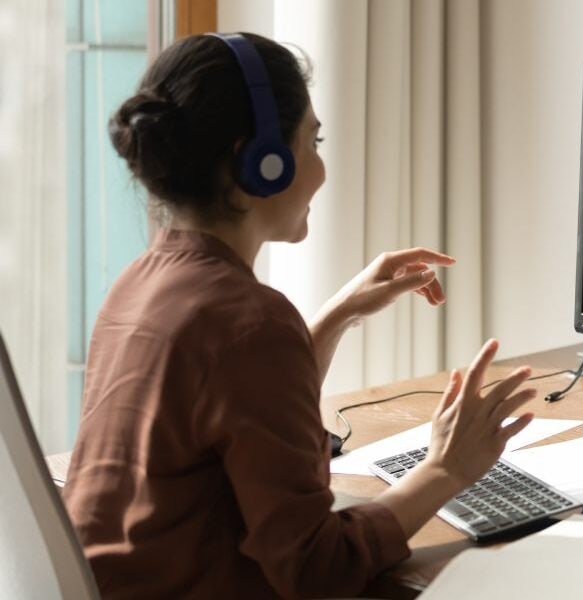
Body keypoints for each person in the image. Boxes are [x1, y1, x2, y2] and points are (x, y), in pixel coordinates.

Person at [61, 33, 538, 599]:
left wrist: (336, 316)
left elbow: (229, 408)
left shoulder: (138, 284)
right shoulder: (249, 325)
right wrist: (446, 470)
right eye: (313, 141)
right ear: (261, 162)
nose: (321, 169)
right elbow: (320, 572)